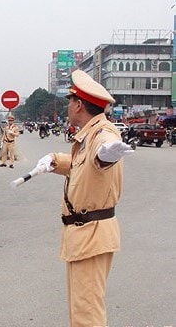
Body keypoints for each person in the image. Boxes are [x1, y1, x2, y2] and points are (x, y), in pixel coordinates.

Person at [33, 69, 133, 326]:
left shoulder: (102, 134)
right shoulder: (89, 134)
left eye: (69, 101)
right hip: (85, 235)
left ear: (79, 105)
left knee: (87, 313)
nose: (68, 106)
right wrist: (55, 161)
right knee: (82, 308)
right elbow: (83, 164)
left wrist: (106, 155)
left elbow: (102, 154)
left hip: (91, 234)